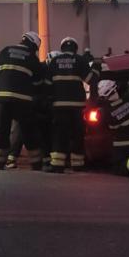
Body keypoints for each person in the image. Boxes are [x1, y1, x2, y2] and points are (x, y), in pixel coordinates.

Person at [0, 32, 45, 170]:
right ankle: (36, 163)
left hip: (3, 98)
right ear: (33, 45)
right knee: (28, 130)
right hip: (23, 100)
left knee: (1, 129)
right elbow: (38, 83)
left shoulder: (5, 51)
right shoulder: (32, 57)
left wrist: (2, 87)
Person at [48, 37, 98, 173]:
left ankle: (57, 165)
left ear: (62, 48)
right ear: (75, 48)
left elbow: (47, 83)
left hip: (58, 105)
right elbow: (91, 80)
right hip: (77, 106)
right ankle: (77, 165)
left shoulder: (54, 61)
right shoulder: (80, 60)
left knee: (60, 135)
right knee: (77, 135)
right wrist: (96, 68)